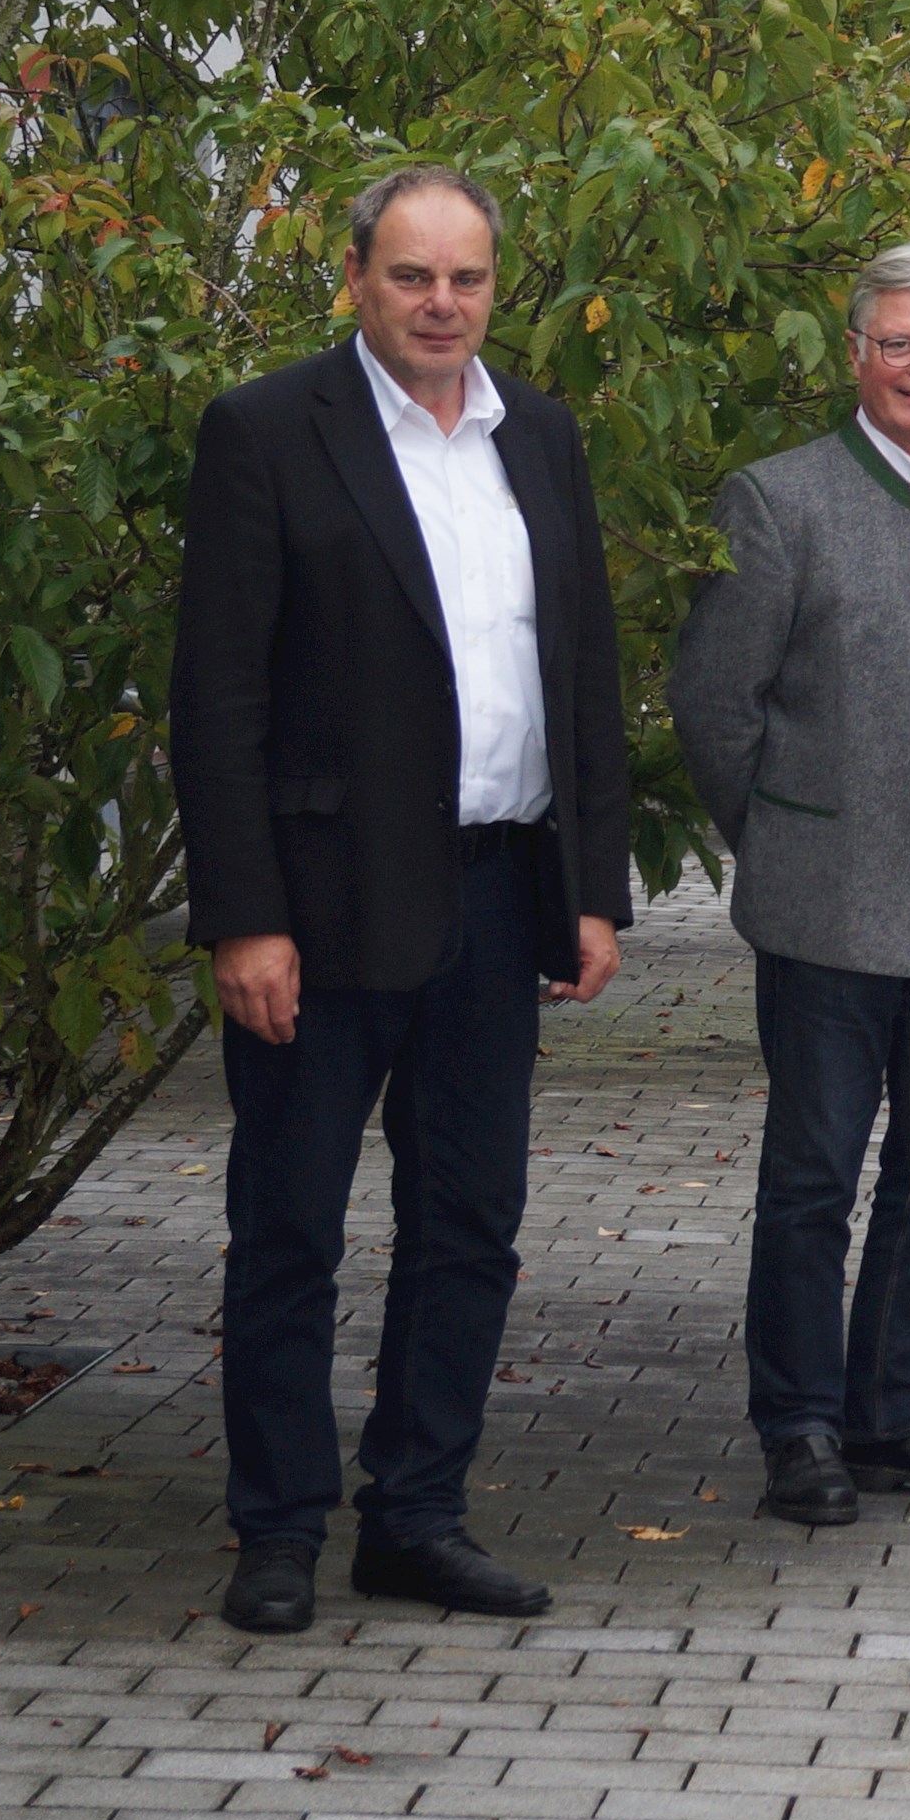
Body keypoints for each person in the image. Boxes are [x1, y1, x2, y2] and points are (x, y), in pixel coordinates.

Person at [172, 163, 630, 1633]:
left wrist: (592, 890)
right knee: (291, 1222)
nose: (443, 303)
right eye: (413, 274)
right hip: (318, 906)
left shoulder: (539, 438)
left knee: (469, 1224)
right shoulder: (264, 431)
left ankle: (417, 1514)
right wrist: (244, 912)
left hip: (499, 896)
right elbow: (218, 693)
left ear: (501, 286)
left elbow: (585, 679)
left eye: (469, 277)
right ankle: (280, 1526)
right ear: (356, 275)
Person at [671, 242, 910, 1529]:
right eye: (899, 343)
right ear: (855, 354)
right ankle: (801, 1430)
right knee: (814, 1177)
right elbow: (715, 704)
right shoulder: (775, 501)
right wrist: (784, 842)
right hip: (828, 899)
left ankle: (897, 1410)